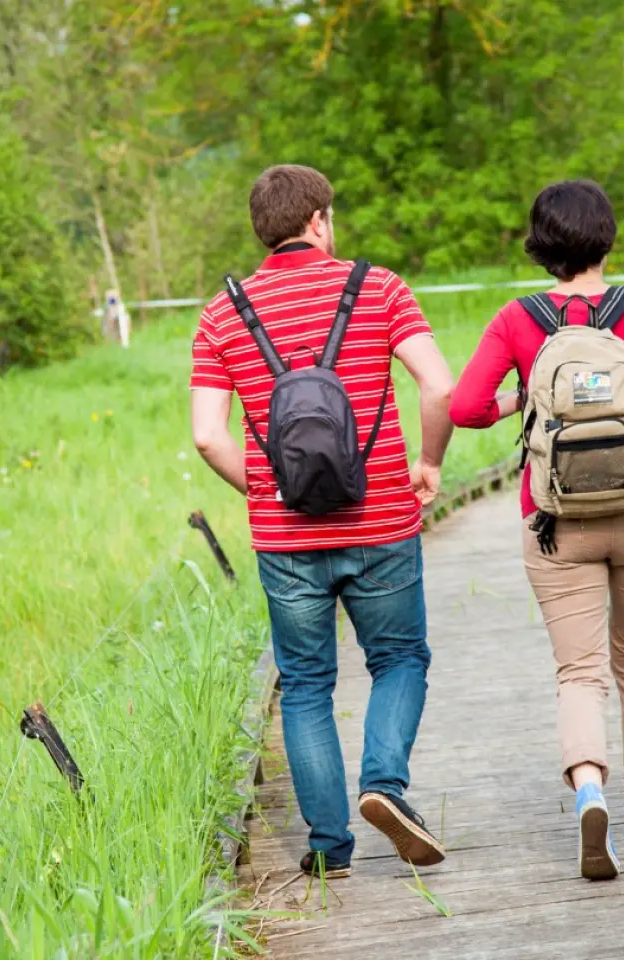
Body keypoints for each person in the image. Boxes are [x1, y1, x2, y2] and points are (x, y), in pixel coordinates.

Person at [190, 164, 457, 879]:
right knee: (400, 659)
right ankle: (384, 785)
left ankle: (328, 847)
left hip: (285, 538)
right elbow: (439, 385)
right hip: (381, 524)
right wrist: (428, 463)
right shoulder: (379, 287)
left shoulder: (223, 313)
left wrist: (271, 487)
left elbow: (208, 436)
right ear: (319, 221)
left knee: (305, 683)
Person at [449, 180, 624, 880]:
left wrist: (522, 399)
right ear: (607, 237)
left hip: (554, 523)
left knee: (579, 671)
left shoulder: (518, 318)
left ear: (541, 245)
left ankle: (590, 787)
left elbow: (466, 406)